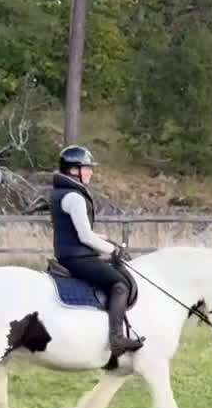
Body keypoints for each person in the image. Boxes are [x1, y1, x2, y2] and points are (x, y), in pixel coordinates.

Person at [49, 145, 143, 355]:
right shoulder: (74, 197)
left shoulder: (64, 192)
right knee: (119, 285)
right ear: (74, 170)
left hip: (70, 254)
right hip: (77, 258)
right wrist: (113, 251)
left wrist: (106, 240)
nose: (90, 172)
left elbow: (80, 231)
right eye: (87, 168)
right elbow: (85, 236)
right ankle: (117, 339)